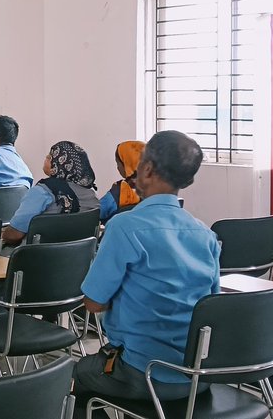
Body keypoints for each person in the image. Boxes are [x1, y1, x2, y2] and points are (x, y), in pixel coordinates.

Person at [72, 131, 220, 410]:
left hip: (142, 373)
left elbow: (92, 303)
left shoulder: (125, 227)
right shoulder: (205, 234)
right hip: (197, 376)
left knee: (81, 373)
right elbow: (211, 305)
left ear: (147, 169)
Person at [1, 141, 100, 245]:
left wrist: (3, 234)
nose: (46, 158)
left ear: (59, 163)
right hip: (81, 258)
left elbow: (14, 235)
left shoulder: (41, 192)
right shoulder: (91, 195)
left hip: (39, 258)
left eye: (49, 157)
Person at [98, 140, 146, 222]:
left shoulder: (117, 192)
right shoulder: (157, 190)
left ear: (127, 164)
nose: (117, 168)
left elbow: (97, 213)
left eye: (118, 163)